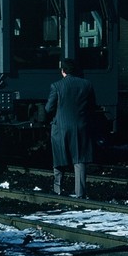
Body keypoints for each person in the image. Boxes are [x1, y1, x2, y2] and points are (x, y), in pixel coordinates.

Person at [44, 58, 97, 199]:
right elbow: (92, 107)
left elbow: (49, 108)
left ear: (63, 71)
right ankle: (80, 193)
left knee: (59, 159)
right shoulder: (87, 85)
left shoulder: (56, 86)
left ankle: (58, 190)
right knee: (80, 160)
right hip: (81, 127)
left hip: (60, 127)